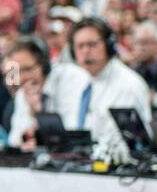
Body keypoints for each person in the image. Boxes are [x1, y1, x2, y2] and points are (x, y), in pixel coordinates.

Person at [65, 18, 152, 153]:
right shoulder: (79, 81)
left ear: (109, 45)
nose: (85, 51)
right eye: (80, 46)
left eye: (92, 44)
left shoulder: (128, 84)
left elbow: (125, 143)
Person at [4, 35, 88, 149]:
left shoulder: (70, 79)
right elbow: (14, 140)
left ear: (44, 64)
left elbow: (72, 131)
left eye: (27, 69)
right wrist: (32, 113)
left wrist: (39, 115)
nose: (21, 78)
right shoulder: (24, 91)